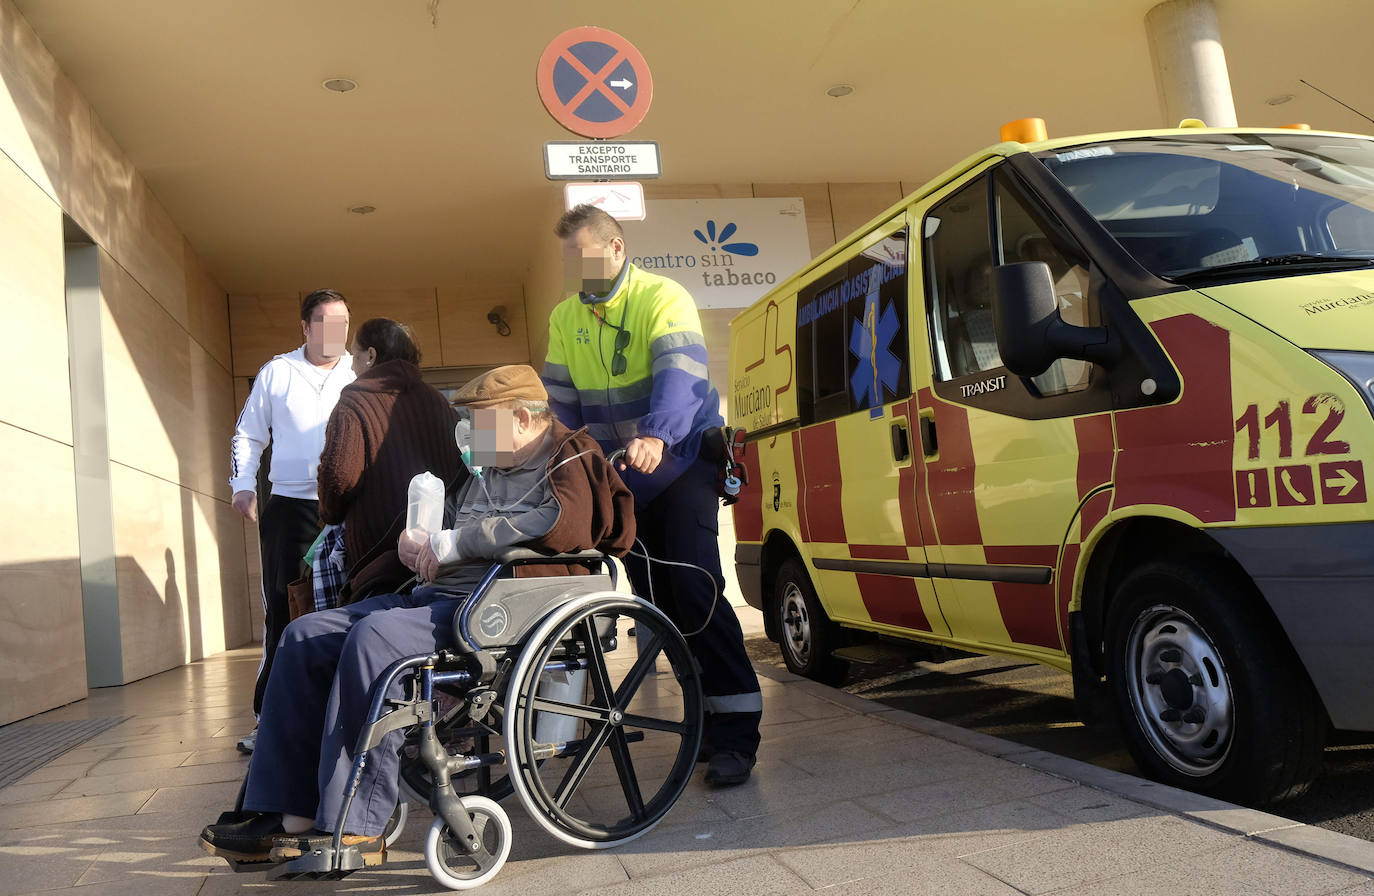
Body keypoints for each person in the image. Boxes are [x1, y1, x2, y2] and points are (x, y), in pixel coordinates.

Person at [199, 365, 635, 866]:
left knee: (374, 637)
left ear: (520, 418)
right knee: (304, 634)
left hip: (493, 609)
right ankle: (284, 812)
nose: (471, 434)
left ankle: (356, 824)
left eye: (481, 421)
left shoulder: (570, 456)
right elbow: (440, 528)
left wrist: (456, 542)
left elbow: (561, 526)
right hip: (434, 597)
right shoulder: (485, 471)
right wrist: (416, 542)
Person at [542, 204, 763, 787]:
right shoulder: (567, 316)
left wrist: (656, 435)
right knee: (658, 608)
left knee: (696, 590)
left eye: (584, 255)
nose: (577, 269)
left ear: (615, 249)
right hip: (622, 478)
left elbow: (681, 374)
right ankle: (705, 727)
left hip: (679, 460)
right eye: (569, 260)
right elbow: (560, 399)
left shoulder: (663, 296)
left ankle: (737, 734)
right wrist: (549, 452)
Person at [229, 288, 355, 754]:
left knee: (353, 604)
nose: (335, 332)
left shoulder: (357, 370)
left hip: (349, 508)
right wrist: (242, 484)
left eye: (343, 322)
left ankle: (348, 714)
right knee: (285, 609)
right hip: (291, 509)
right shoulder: (277, 372)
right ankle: (270, 720)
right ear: (305, 327)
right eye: (324, 322)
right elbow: (247, 433)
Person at [317, 318, 461, 603]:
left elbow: (339, 476)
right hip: (436, 555)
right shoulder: (438, 401)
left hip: (375, 559)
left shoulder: (354, 400)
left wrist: (328, 512)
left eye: (354, 355)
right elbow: (463, 468)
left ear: (371, 355)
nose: (352, 365)